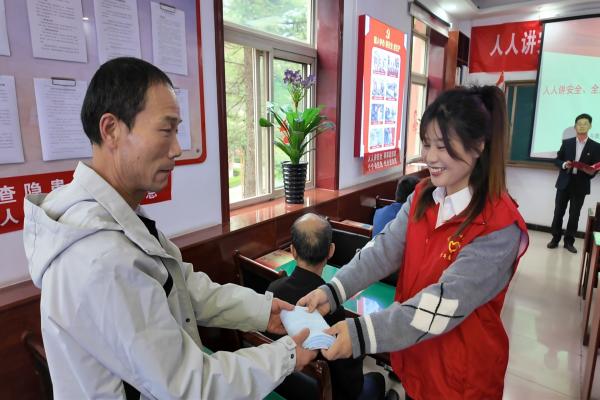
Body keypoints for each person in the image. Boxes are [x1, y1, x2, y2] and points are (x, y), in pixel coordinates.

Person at [22, 57, 316, 399]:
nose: (177, 149)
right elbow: (190, 386)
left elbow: (183, 287)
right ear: (111, 129)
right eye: (166, 130)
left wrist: (264, 311)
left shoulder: (117, 218)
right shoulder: (101, 258)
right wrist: (286, 356)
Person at [298, 86, 529, 400]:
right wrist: (333, 291)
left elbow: (443, 304)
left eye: (443, 146)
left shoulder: (499, 226)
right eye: (427, 143)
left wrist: (361, 334)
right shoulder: (423, 196)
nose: (430, 157)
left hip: (460, 380)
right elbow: (382, 251)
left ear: (478, 146)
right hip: (415, 360)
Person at [267, 213, 386, 400]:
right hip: (326, 393)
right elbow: (350, 384)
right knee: (377, 379)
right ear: (331, 251)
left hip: (282, 387)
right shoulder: (331, 309)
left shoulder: (273, 290)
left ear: (292, 251)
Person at [547, 113, 600, 253]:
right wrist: (564, 164)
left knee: (574, 215)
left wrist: (590, 172)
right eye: (579, 124)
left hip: (581, 184)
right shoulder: (567, 142)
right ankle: (555, 239)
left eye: (585, 124)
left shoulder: (596, 146)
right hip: (564, 183)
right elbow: (557, 160)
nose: (582, 126)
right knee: (558, 212)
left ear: (590, 126)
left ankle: (569, 242)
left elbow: (595, 167)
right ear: (575, 126)